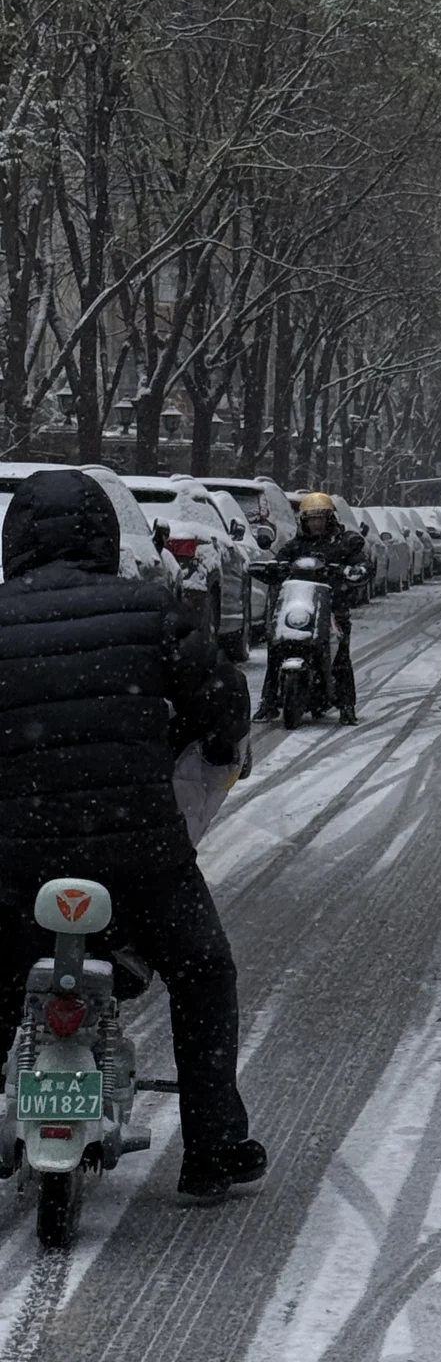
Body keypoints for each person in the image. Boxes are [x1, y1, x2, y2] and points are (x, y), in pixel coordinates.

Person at [0, 468, 264, 1205]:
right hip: (137, 861)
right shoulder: (155, 611)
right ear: (106, 536)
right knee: (203, 973)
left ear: (13, 539)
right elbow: (224, 708)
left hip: (12, 864)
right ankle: (213, 1147)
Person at [254, 491, 368, 725]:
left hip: (333, 609)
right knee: (275, 647)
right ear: (304, 521)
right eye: (311, 519)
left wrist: (354, 570)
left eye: (321, 518)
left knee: (340, 655)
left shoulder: (341, 545)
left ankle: (347, 705)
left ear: (330, 520)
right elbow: (279, 562)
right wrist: (270, 569)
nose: (316, 523)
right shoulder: (295, 546)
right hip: (298, 607)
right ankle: (268, 701)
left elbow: (360, 564)